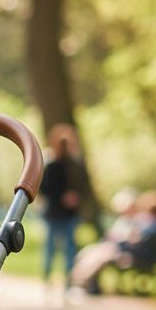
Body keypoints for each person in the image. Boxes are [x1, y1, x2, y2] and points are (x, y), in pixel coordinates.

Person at [69, 189, 156, 294]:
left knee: (99, 255)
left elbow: (139, 240)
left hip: (131, 254)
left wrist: (129, 238)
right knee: (89, 253)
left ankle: (80, 283)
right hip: (123, 249)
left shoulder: (151, 225)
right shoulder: (155, 224)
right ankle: (80, 283)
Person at [39, 124, 87, 296]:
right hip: (53, 214)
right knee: (50, 251)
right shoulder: (50, 165)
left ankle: (67, 287)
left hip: (69, 215)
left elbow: (82, 188)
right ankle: (47, 285)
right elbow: (43, 189)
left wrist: (75, 198)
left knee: (69, 252)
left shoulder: (76, 165)